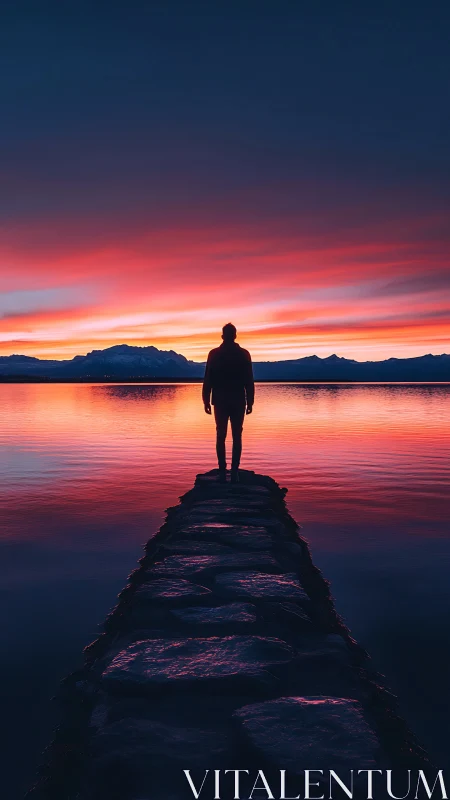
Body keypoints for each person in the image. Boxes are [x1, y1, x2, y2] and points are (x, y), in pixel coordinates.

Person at [202, 323, 254, 483]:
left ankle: (223, 470)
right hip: (238, 400)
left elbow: (208, 378)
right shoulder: (244, 354)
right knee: (236, 435)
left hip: (220, 400)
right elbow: (249, 380)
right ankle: (234, 471)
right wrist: (250, 401)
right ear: (235, 336)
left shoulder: (214, 354)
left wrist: (206, 400)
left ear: (223, 336)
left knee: (221, 434)